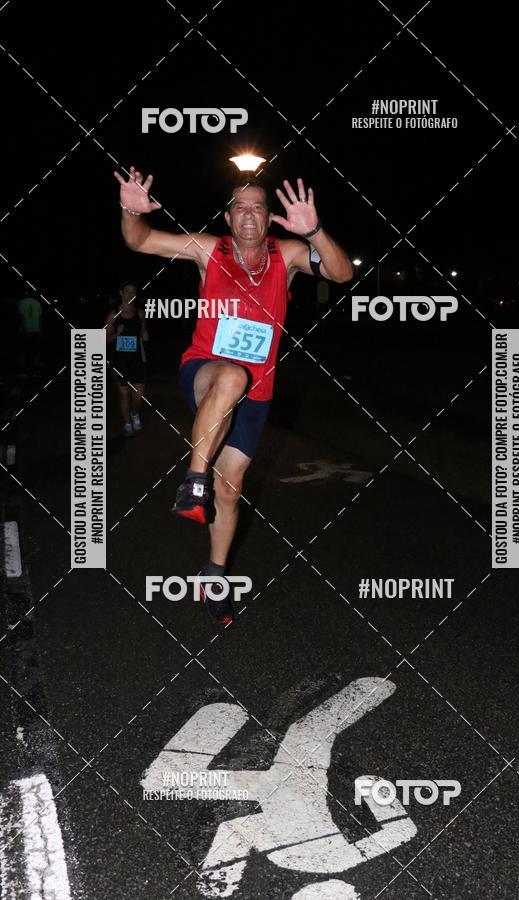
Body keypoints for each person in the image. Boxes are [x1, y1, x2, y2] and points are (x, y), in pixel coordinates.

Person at [114, 165, 353, 624]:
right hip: (204, 370)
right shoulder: (209, 250)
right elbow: (140, 240)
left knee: (231, 489)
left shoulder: (288, 254)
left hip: (259, 390)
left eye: (258, 208)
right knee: (230, 379)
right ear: (227, 217)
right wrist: (130, 209)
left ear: (269, 220)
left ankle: (214, 575)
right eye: (240, 207)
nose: (248, 215)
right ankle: (192, 480)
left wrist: (316, 232)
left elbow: (341, 273)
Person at [105, 280, 148, 437]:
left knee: (139, 395)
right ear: (121, 293)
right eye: (127, 291)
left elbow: (143, 334)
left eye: (133, 291)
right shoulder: (113, 314)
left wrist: (144, 336)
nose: (130, 294)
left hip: (136, 360)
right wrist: (116, 333)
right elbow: (104, 338)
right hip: (119, 361)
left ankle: (135, 413)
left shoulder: (140, 313)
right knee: (124, 394)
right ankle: (127, 423)